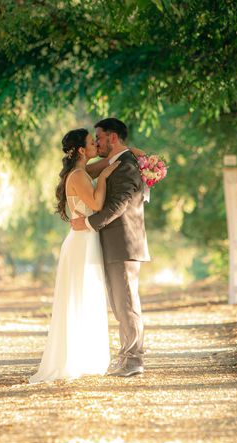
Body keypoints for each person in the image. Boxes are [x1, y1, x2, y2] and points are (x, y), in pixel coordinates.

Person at [28, 128, 120, 383]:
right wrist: (104, 178)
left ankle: (84, 356)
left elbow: (105, 161)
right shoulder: (79, 175)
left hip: (84, 239)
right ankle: (73, 359)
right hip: (81, 242)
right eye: (92, 143)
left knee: (86, 294)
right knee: (80, 295)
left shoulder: (80, 172)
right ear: (81, 150)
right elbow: (96, 205)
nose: (95, 145)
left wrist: (126, 154)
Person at [70, 118, 150, 378]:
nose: (97, 142)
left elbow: (120, 205)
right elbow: (86, 170)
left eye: (100, 137)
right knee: (119, 305)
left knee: (126, 304)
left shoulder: (127, 166)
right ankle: (126, 356)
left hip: (124, 243)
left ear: (113, 138)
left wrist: (89, 223)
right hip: (111, 244)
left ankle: (134, 360)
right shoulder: (121, 161)